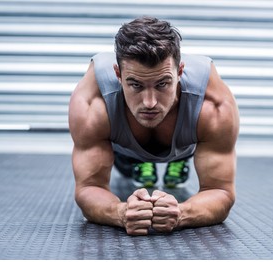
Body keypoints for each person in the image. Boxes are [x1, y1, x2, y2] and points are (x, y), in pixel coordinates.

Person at [69, 16, 239, 235]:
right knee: (130, 162)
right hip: (123, 147)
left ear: (180, 72)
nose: (150, 102)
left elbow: (220, 191)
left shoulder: (213, 107)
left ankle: (177, 160)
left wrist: (181, 212)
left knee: (189, 137)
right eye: (136, 85)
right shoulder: (94, 105)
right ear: (118, 75)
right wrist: (120, 212)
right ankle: (138, 161)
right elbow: (89, 187)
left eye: (162, 84)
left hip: (186, 143)